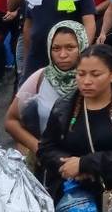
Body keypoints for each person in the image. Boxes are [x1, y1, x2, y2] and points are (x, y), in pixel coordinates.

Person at [37, 43, 112, 203]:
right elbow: (46, 148)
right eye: (81, 74)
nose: (86, 81)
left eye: (95, 74)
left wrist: (85, 164)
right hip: (74, 190)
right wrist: (68, 166)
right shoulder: (65, 105)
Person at [5, 21, 88, 154]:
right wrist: (38, 148)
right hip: (48, 163)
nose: (62, 55)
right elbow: (11, 121)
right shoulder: (41, 77)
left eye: (70, 47)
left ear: (83, 46)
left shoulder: (93, 79)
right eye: (56, 48)